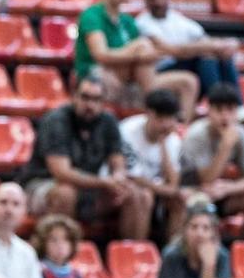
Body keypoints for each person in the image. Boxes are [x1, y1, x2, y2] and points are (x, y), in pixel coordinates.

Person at [22, 73, 152, 241]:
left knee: (139, 194)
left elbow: (118, 161)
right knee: (65, 193)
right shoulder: (56, 120)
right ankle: (57, 257)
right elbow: (61, 172)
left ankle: (131, 258)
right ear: (74, 96)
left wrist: (118, 178)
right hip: (43, 184)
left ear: (103, 102)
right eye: (85, 97)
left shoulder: (108, 121)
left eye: (96, 99)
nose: (89, 105)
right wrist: (104, 182)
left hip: (88, 186)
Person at [73, 0, 198, 117]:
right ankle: (157, 109)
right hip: (95, 77)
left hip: (129, 81)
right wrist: (139, 54)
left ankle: (179, 132)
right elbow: (101, 55)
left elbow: (146, 57)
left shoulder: (129, 22)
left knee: (188, 82)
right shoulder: (92, 15)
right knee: (141, 46)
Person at [177, 83, 244, 240]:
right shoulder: (196, 135)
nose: (225, 117)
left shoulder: (240, 133)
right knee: (186, 199)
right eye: (219, 110)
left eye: (230, 110)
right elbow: (206, 179)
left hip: (218, 193)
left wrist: (229, 188)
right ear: (209, 110)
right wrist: (225, 147)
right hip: (191, 191)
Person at [138, 0, 239, 95]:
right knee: (207, 56)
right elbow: (173, 51)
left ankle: (236, 107)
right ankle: (218, 103)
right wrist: (215, 46)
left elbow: (206, 41)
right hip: (161, 72)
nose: (158, 2)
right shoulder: (142, 23)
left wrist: (227, 44)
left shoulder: (179, 20)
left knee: (221, 56)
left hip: (188, 69)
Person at [118, 86, 187, 237]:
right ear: (148, 113)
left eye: (171, 119)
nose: (166, 124)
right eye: (161, 119)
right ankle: (137, 251)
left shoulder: (173, 140)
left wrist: (163, 145)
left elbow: (174, 182)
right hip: (125, 187)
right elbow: (132, 177)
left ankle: (172, 252)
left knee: (181, 199)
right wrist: (166, 189)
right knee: (143, 196)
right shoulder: (127, 131)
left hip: (154, 188)